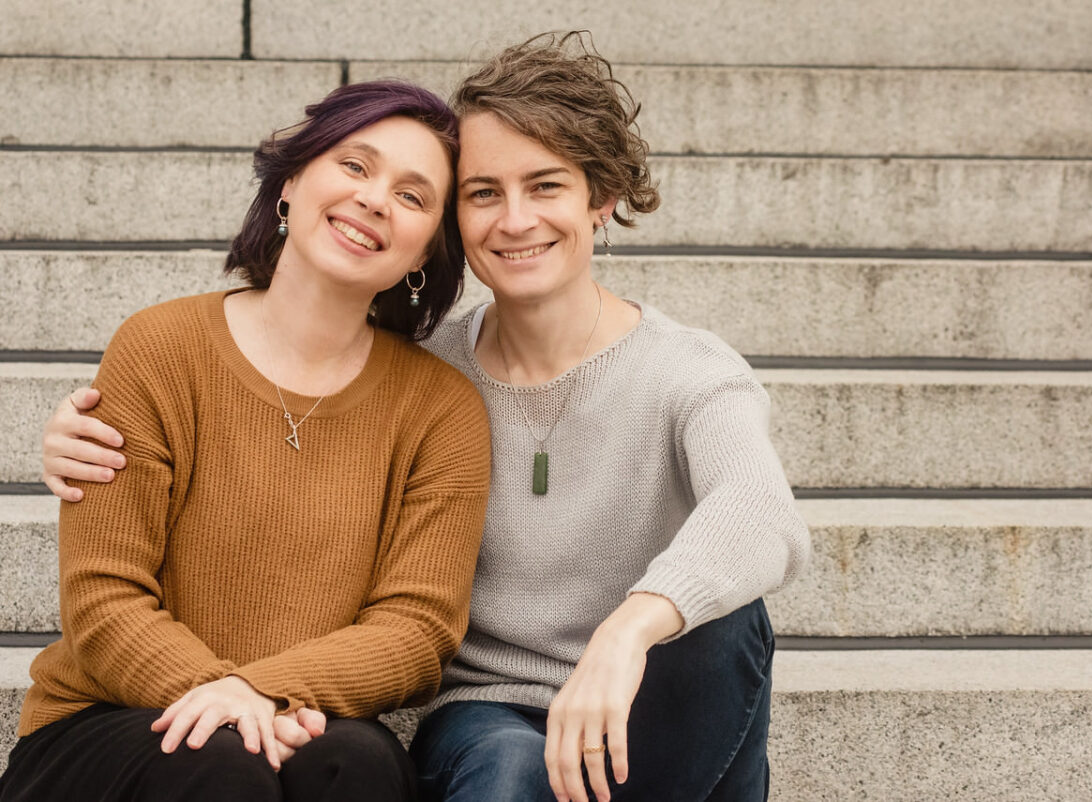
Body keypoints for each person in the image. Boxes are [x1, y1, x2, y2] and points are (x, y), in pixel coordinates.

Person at [38, 32, 809, 802]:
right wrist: (73, 442)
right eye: (482, 193)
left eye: (545, 187)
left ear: (600, 200)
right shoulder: (427, 370)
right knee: (467, 770)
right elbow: (114, 583)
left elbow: (760, 511)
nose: (514, 220)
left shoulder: (676, 372)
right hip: (475, 712)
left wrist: (630, 628)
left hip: (650, 697)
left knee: (725, 624)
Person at [3, 80, 492, 802]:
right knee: (220, 764)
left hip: (298, 719)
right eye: (354, 166)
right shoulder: (160, 347)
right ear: (292, 183)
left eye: (414, 197)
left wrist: (259, 693)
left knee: (358, 765)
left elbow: (417, 630)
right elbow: (104, 600)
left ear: (427, 250)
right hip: (107, 720)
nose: (375, 199)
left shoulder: (441, 408)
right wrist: (221, 694)